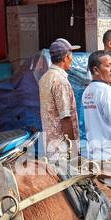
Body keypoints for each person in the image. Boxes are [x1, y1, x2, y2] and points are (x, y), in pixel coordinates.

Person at [39, 38, 78, 166]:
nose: (72, 59)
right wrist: (73, 149)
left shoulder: (45, 78)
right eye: (71, 55)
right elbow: (65, 117)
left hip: (50, 145)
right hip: (62, 147)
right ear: (65, 58)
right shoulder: (60, 81)